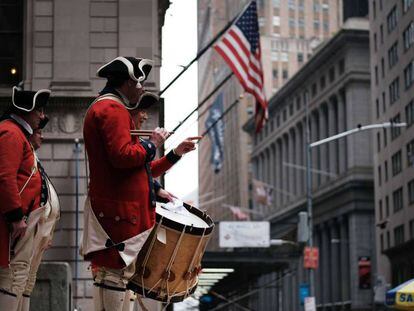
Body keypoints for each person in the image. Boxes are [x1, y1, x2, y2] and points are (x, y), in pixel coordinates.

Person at [81, 56, 198, 311]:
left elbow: (140, 171)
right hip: (120, 211)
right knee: (116, 274)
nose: (142, 88)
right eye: (139, 83)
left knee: (114, 275)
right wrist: (152, 144)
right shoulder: (112, 109)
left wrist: (174, 153)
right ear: (128, 82)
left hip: (121, 209)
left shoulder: (111, 109)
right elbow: (123, 158)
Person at [0, 86, 51, 310]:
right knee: (11, 278)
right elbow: (4, 177)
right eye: (38, 110)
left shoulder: (16, 133)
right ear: (26, 109)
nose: (42, 115)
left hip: (24, 224)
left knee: (19, 278)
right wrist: (15, 216)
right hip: (14, 224)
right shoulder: (11, 132)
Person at [18, 118, 60, 311]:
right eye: (38, 132)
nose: (42, 136)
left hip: (39, 232)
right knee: (16, 280)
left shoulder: (35, 158)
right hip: (26, 228)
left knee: (27, 283)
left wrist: (47, 233)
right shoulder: (23, 154)